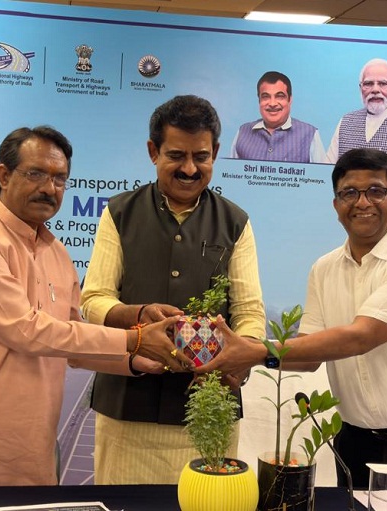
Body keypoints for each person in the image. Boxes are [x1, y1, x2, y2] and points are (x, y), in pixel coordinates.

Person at [0, 126, 188, 487]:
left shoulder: (57, 254)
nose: (49, 188)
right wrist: (134, 339)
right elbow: (24, 330)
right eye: (36, 174)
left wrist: (142, 359)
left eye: (60, 179)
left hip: (27, 458)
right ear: (3, 176)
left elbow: (73, 345)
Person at [196, 148, 387, 490]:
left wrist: (255, 350)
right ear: (336, 205)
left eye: (376, 191)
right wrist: (245, 361)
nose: (362, 202)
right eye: (349, 193)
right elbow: (309, 357)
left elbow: (361, 337)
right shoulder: (324, 269)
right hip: (357, 443)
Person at [80, 95, 267, 484]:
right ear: (153, 151)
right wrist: (137, 316)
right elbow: (93, 299)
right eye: (176, 155)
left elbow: (249, 312)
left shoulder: (235, 222)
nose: (189, 168)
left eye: (201, 157)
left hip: (209, 412)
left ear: (216, 153)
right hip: (127, 410)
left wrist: (239, 357)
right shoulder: (119, 213)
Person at [326, 59, 387, 168]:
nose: (375, 90)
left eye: (383, 84)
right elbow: (327, 170)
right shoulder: (345, 122)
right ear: (360, 88)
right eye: (368, 84)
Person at [230, 71, 327, 163]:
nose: (272, 103)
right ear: (259, 100)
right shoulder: (242, 133)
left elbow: (322, 174)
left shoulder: (310, 134)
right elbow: (231, 173)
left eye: (280, 96)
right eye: (265, 97)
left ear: (290, 100)